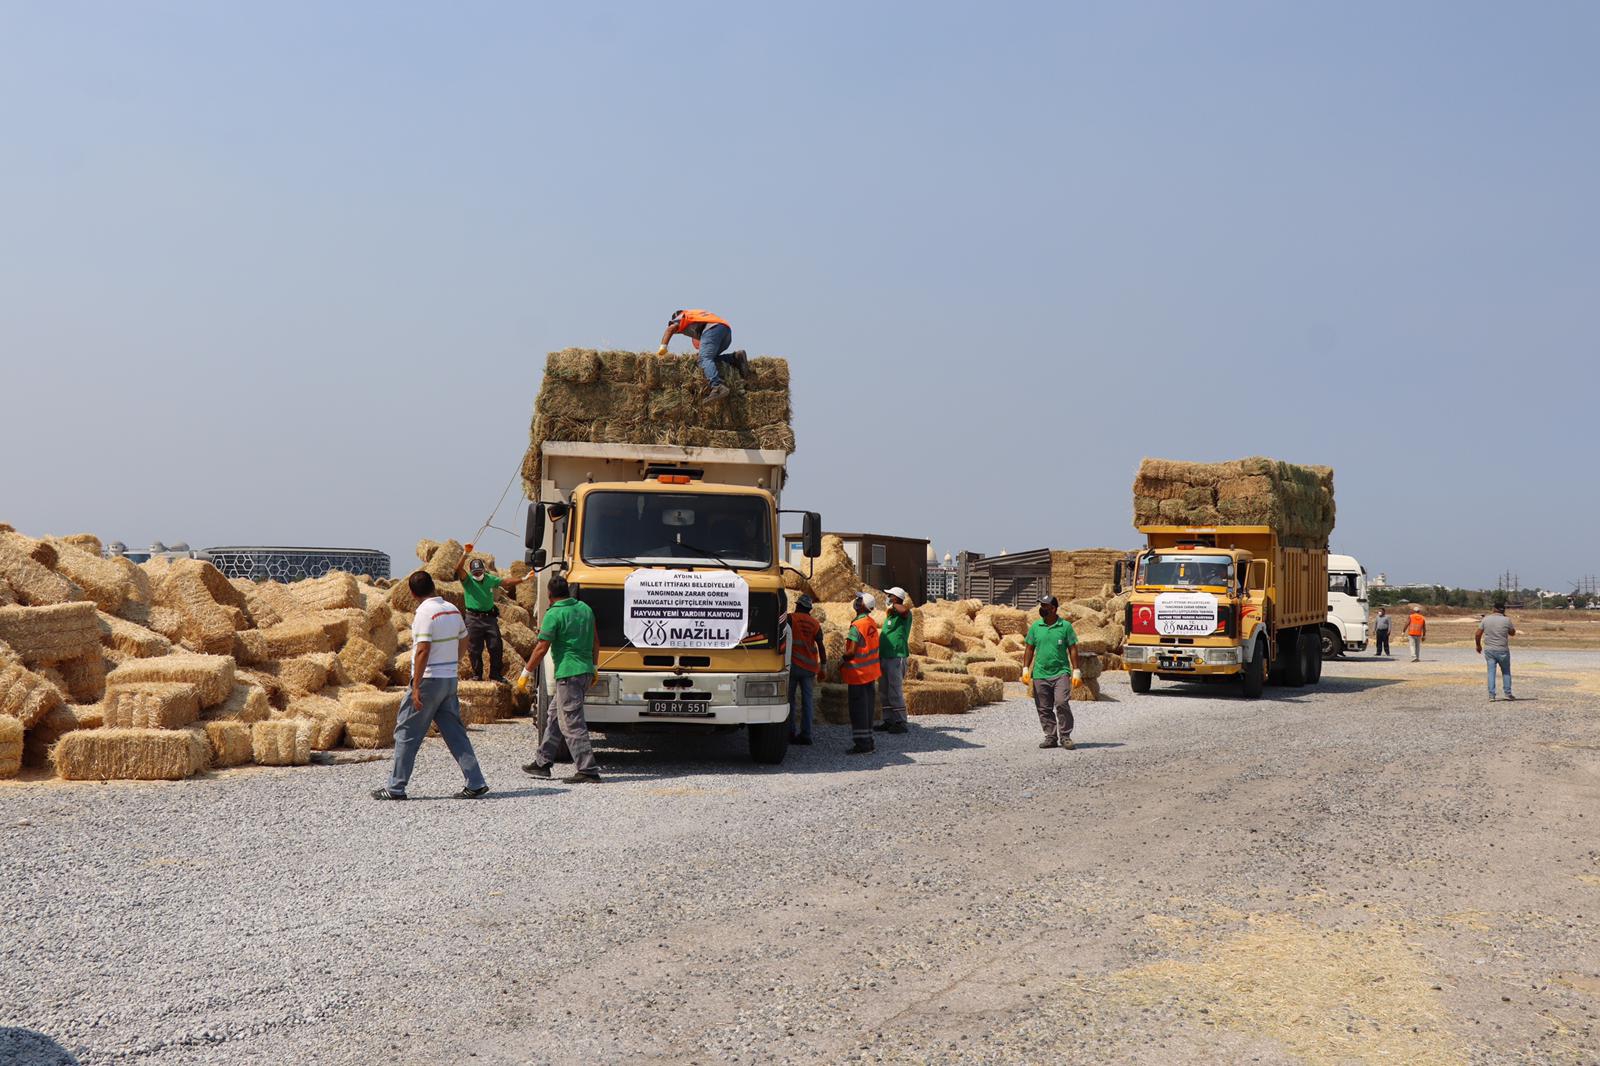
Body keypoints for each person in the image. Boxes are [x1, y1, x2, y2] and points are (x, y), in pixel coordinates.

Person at [373, 572, 489, 800]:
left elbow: (423, 649)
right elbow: (465, 638)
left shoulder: (425, 613)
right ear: (433, 587)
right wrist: (453, 660)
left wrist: (416, 686)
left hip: (429, 680)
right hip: (448, 680)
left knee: (406, 732)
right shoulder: (452, 609)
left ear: (413, 593)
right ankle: (475, 781)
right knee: (455, 732)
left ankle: (396, 787)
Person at [519, 574, 603, 784]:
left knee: (571, 722)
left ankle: (588, 769)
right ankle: (543, 762)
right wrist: (593, 666)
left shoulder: (553, 614)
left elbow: (541, 648)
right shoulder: (585, 608)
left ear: (549, 595)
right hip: (584, 671)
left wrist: (526, 672)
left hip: (568, 673)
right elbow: (595, 641)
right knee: (555, 717)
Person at [454, 547, 528, 683]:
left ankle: (495, 674)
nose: (477, 574)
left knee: (496, 646)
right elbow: (458, 569)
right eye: (475, 573)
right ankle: (477, 675)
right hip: (473, 619)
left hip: (489, 618)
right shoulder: (468, 580)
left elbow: (505, 582)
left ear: (484, 570)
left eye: (479, 572)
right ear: (471, 572)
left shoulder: (489, 579)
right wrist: (465, 554)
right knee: (474, 649)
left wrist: (523, 579)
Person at [1021, 595, 1083, 750]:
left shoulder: (1065, 626)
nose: (1041, 609)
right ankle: (1051, 736)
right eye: (1041, 606)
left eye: (1045, 606)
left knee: (1062, 703)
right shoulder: (1036, 627)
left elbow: (1073, 649)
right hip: (1040, 673)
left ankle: (1066, 736)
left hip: (1060, 672)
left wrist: (1076, 670)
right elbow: (1029, 648)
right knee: (1043, 707)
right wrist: (1025, 668)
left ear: (1053, 609)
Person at [656, 309, 748, 403]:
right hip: (725, 330)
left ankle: (717, 386)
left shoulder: (680, 317)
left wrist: (662, 349)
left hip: (712, 329)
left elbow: (670, 329)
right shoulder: (695, 316)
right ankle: (735, 357)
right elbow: (700, 343)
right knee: (709, 360)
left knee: (704, 359)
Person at [840, 592, 882, 755]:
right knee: (867, 709)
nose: (856, 602)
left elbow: (851, 651)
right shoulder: (870, 623)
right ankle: (869, 742)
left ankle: (862, 745)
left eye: (859, 600)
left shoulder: (857, 625)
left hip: (858, 674)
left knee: (857, 711)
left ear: (863, 605)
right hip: (870, 674)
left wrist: (841, 660)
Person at [783, 595, 825, 745]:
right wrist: (824, 666)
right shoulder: (815, 624)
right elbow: (821, 646)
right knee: (808, 702)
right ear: (810, 609)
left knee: (790, 701)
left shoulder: (790, 619)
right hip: (809, 668)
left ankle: (790, 732)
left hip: (793, 666)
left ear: (798, 606)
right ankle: (806, 735)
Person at [874, 587, 912, 735]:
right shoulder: (891, 615)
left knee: (895, 690)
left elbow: (904, 611)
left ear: (896, 598)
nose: (887, 597)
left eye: (890, 596)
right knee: (884, 690)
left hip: (896, 656)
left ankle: (901, 722)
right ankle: (888, 720)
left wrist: (893, 604)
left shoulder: (904, 614)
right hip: (885, 655)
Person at [1476, 599, 1517, 701]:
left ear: (1494, 609)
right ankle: (1508, 693)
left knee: (1491, 672)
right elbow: (1512, 633)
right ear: (1503, 610)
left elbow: (1477, 634)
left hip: (1489, 650)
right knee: (1506, 672)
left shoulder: (1485, 619)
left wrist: (1478, 645)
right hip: (1502, 649)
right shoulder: (1506, 620)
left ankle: (1491, 695)